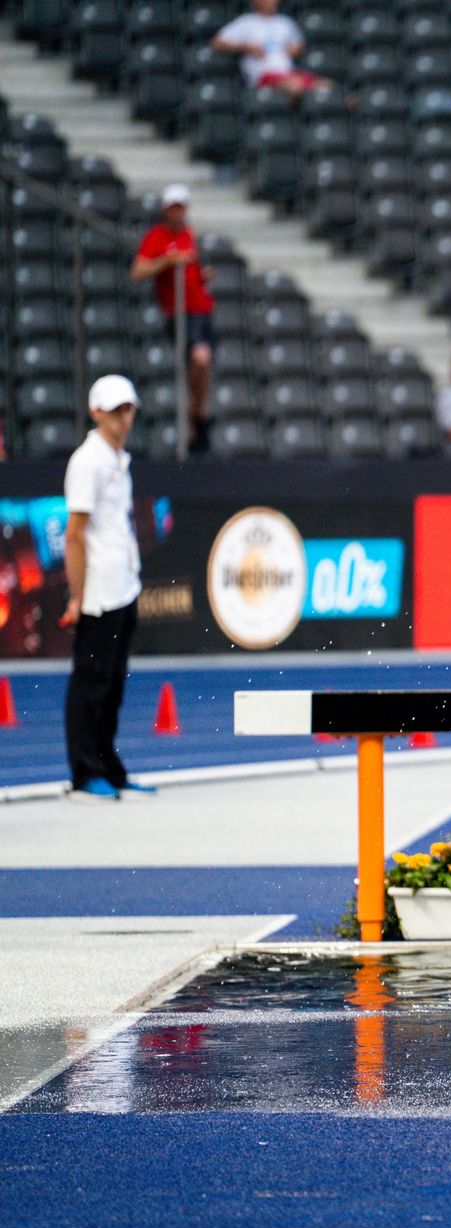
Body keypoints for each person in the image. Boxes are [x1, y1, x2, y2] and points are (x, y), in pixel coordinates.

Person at [62, 376, 156, 803]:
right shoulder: (88, 461)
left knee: (113, 683)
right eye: (116, 408)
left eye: (129, 408)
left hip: (123, 587)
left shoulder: (117, 459)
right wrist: (78, 595)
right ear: (96, 412)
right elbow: (75, 535)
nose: (125, 416)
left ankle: (109, 767)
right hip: (99, 593)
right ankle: (85, 773)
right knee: (91, 684)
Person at [129, 184, 215, 452]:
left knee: (201, 366)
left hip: (202, 309)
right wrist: (168, 261)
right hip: (180, 314)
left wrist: (201, 276)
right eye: (173, 208)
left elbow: (192, 272)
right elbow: (138, 271)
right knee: (199, 359)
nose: (177, 213)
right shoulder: (157, 237)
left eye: (181, 207)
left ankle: (197, 416)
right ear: (166, 210)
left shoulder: (189, 235)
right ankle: (195, 419)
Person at [210, 0, 330, 98]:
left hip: (287, 74)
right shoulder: (246, 22)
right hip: (262, 75)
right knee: (293, 88)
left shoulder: (284, 22)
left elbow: (299, 44)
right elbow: (217, 43)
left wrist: (294, 49)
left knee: (326, 85)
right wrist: (246, 47)